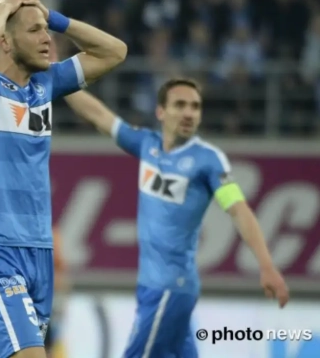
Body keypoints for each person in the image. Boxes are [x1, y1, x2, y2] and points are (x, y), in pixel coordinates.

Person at [0, 0, 127, 358]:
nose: (47, 38)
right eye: (35, 31)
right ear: (6, 42)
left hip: (40, 255)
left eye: (46, 30)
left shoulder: (46, 84)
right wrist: (5, 6)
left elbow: (115, 51)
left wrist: (55, 18)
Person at [64, 79, 290, 357]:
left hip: (170, 289)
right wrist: (59, 78)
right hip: (150, 287)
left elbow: (239, 210)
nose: (189, 113)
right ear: (161, 111)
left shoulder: (208, 161)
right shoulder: (147, 145)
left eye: (195, 107)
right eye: (180, 105)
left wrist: (266, 265)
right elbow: (99, 115)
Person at [44, 227, 71, 358]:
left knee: (50, 340)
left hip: (49, 302)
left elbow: (61, 271)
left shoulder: (51, 236)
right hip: (42, 302)